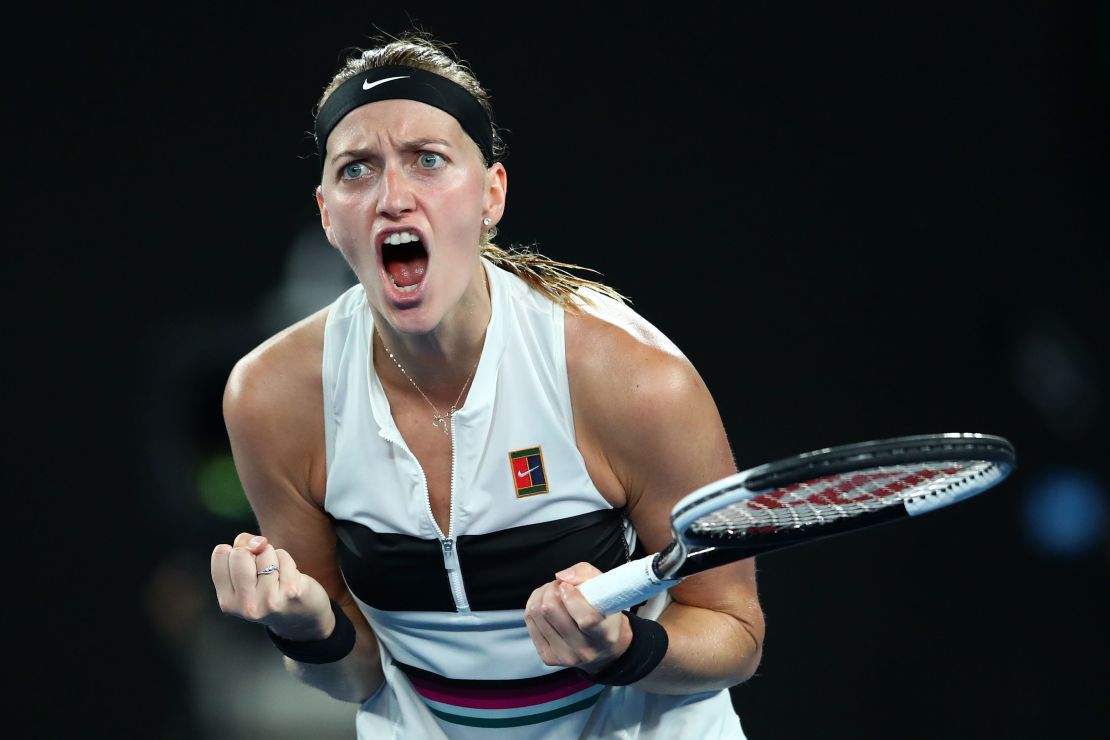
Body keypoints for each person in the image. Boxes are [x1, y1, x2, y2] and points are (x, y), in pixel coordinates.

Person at [210, 31, 765, 739]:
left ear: (491, 195)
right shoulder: (270, 398)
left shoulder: (630, 380)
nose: (393, 197)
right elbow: (355, 675)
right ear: (327, 214)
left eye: (428, 161)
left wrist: (622, 650)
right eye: (357, 170)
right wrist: (305, 626)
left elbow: (734, 634)